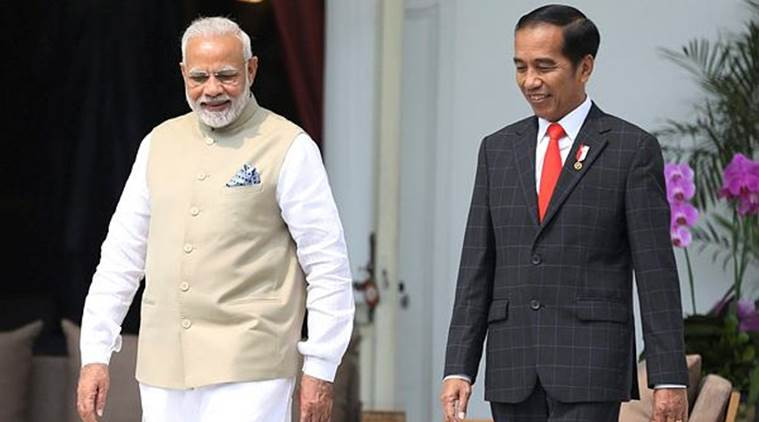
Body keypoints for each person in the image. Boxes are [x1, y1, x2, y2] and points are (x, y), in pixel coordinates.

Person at [76, 17, 354, 422]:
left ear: (251, 70)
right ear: (183, 74)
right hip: (164, 366)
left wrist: (321, 365)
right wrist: (95, 353)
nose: (212, 89)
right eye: (199, 77)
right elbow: (121, 256)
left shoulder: (290, 147)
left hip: (251, 366)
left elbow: (327, 263)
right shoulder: (157, 143)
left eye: (226, 75)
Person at [440, 5, 688, 422]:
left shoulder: (630, 150)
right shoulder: (497, 150)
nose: (530, 81)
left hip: (591, 366)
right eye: (520, 67)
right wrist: (459, 368)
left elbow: (656, 273)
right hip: (513, 366)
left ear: (584, 67)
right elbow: (476, 268)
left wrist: (669, 378)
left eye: (544, 66)